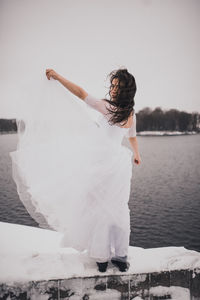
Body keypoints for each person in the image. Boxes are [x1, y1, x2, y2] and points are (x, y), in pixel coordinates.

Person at [10, 67, 141, 273]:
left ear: (127, 90)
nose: (114, 89)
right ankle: (120, 256)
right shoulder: (128, 112)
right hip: (115, 165)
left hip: (103, 164)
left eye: (118, 86)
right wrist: (135, 153)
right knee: (116, 210)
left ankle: (104, 257)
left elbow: (80, 93)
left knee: (105, 210)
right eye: (113, 85)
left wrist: (58, 77)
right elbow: (131, 135)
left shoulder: (109, 108)